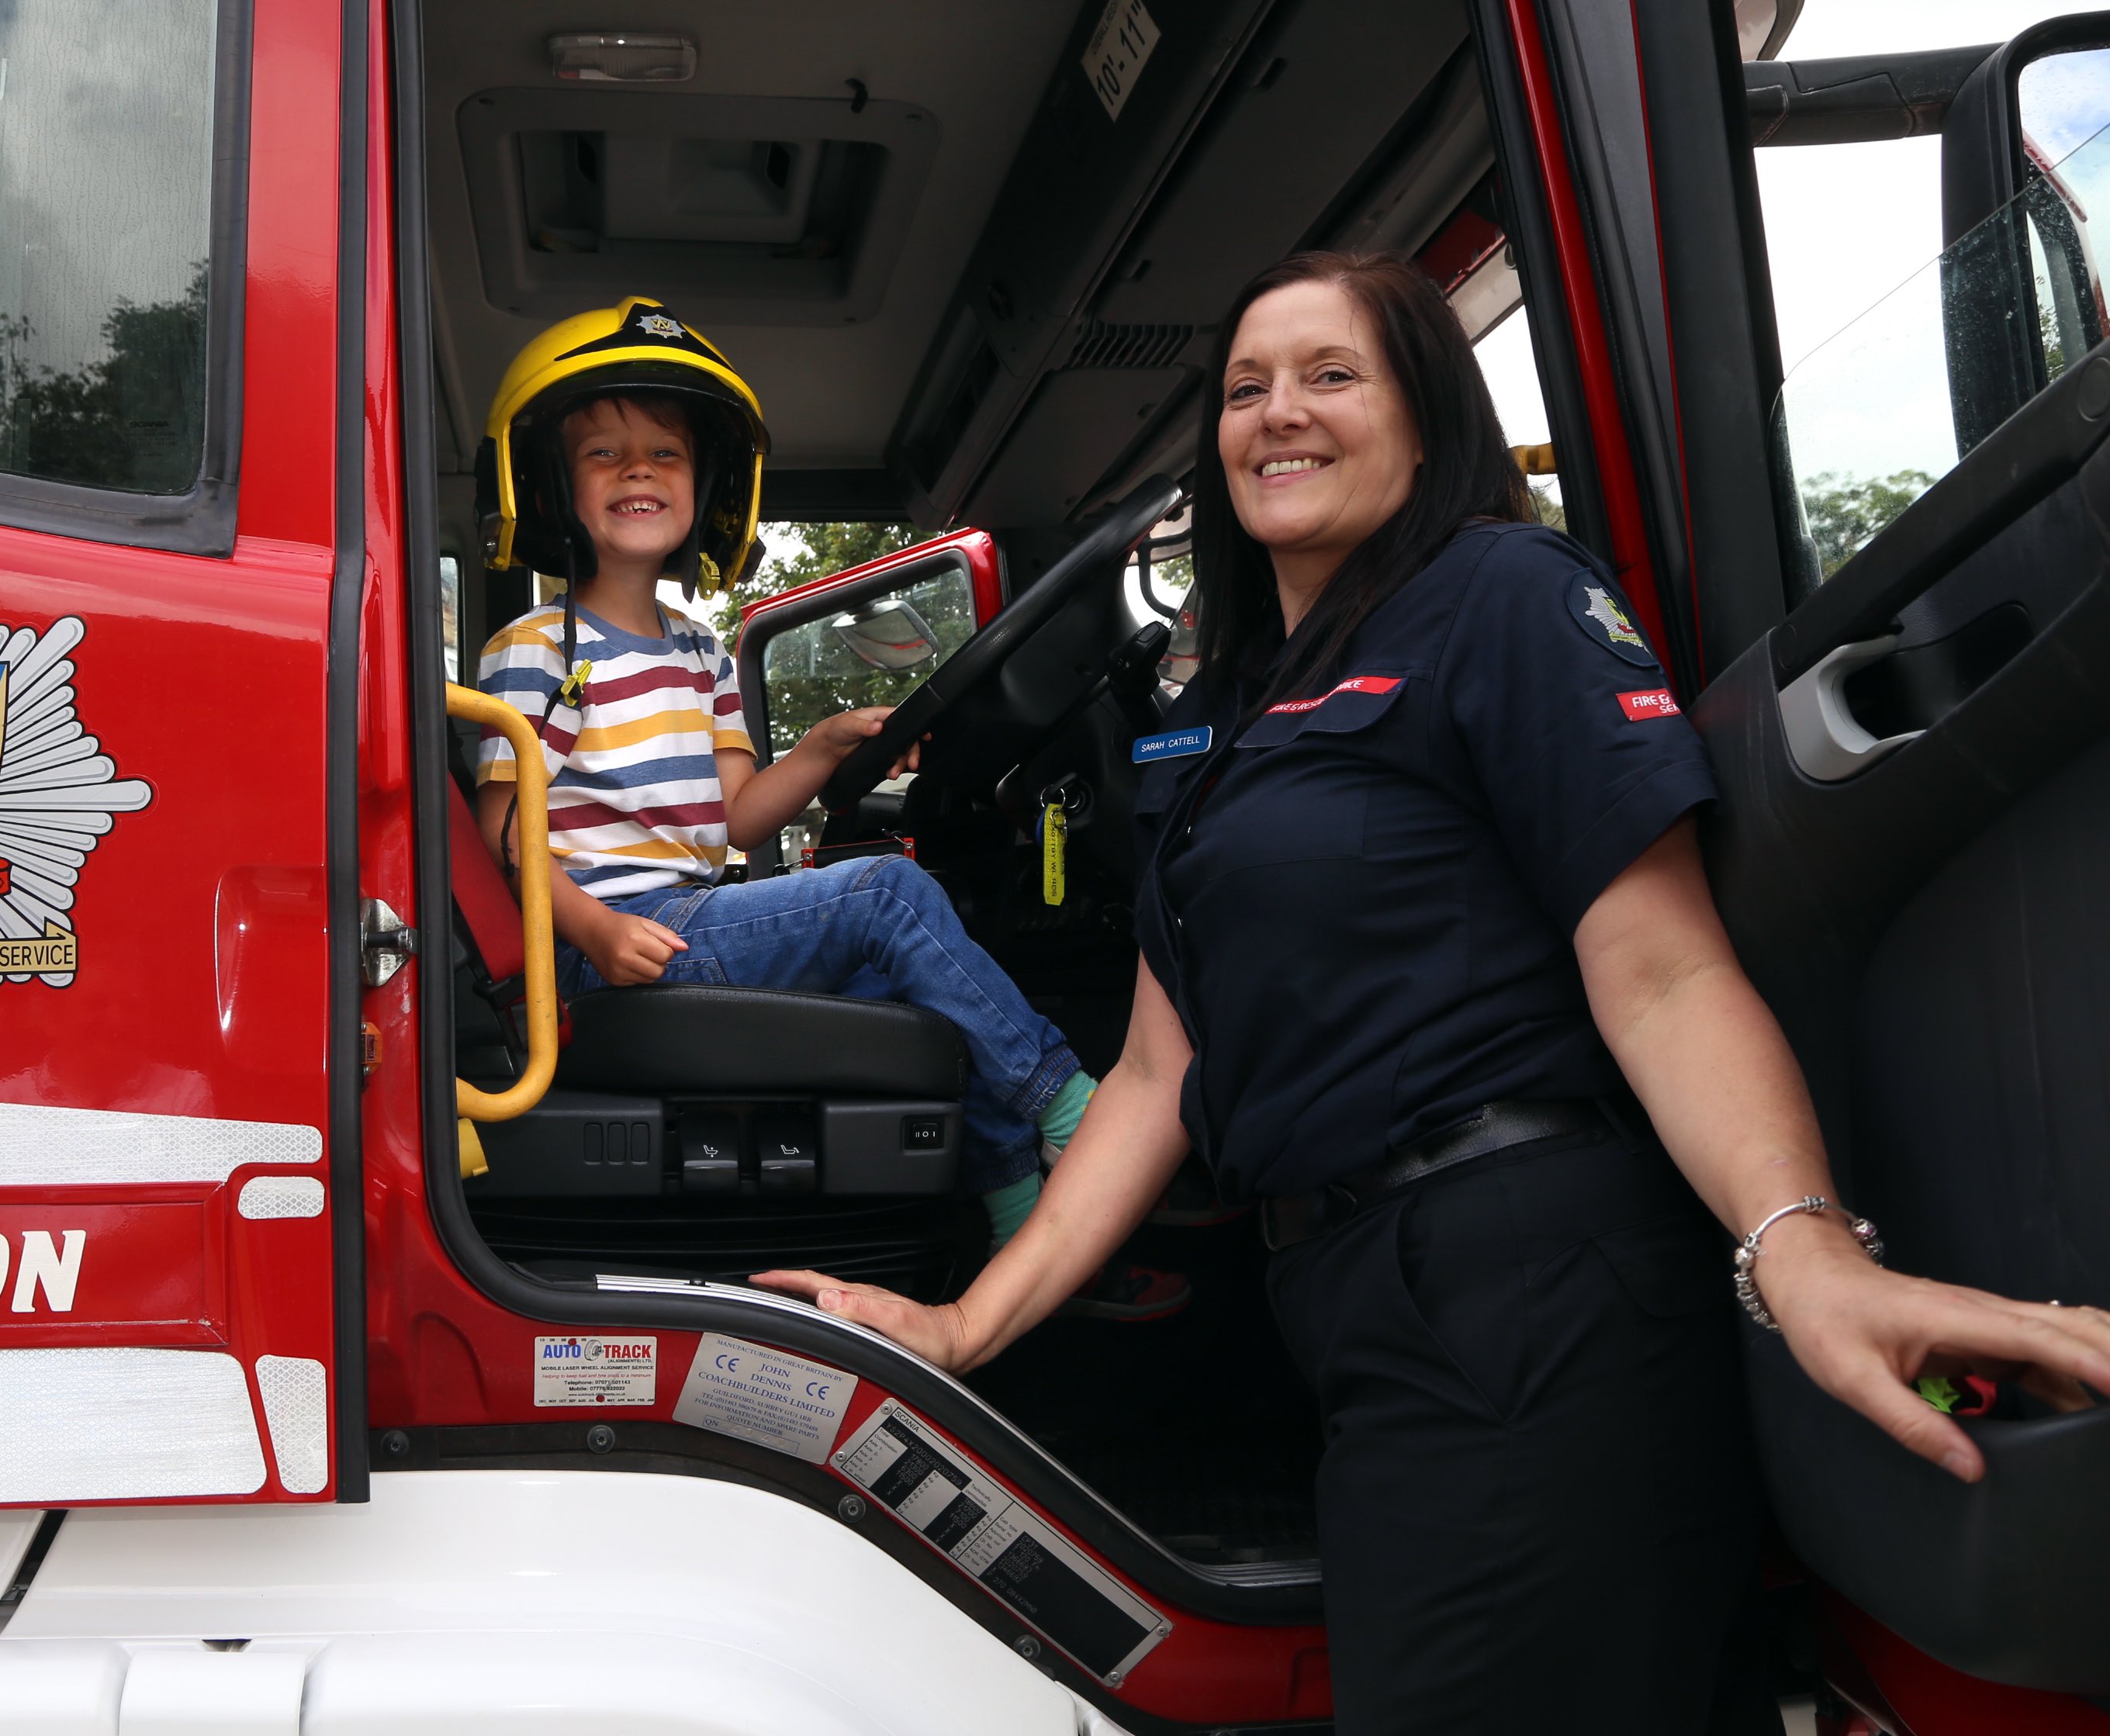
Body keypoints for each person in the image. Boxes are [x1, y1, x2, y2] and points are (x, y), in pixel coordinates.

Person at [754, 253, 2110, 1729]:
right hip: (1357, 1305)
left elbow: (1658, 974)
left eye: (1332, 375)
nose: (1280, 412)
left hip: (1526, 1285)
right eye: (1245, 386)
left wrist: (1806, 1251)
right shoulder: (1228, 716)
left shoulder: (1501, 596)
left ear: (1424, 418)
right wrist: (963, 1328)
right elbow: (1155, 1077)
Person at [470, 297, 1183, 1317]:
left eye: (664, 454)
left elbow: (737, 823)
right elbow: (503, 824)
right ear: (548, 483)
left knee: (919, 983)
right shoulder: (534, 648)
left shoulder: (702, 653)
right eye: (603, 454)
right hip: (601, 947)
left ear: (705, 487)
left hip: (685, 925)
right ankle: (1066, 1103)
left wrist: (820, 745)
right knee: (889, 894)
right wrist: (587, 920)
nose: (637, 471)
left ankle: (1017, 1206)